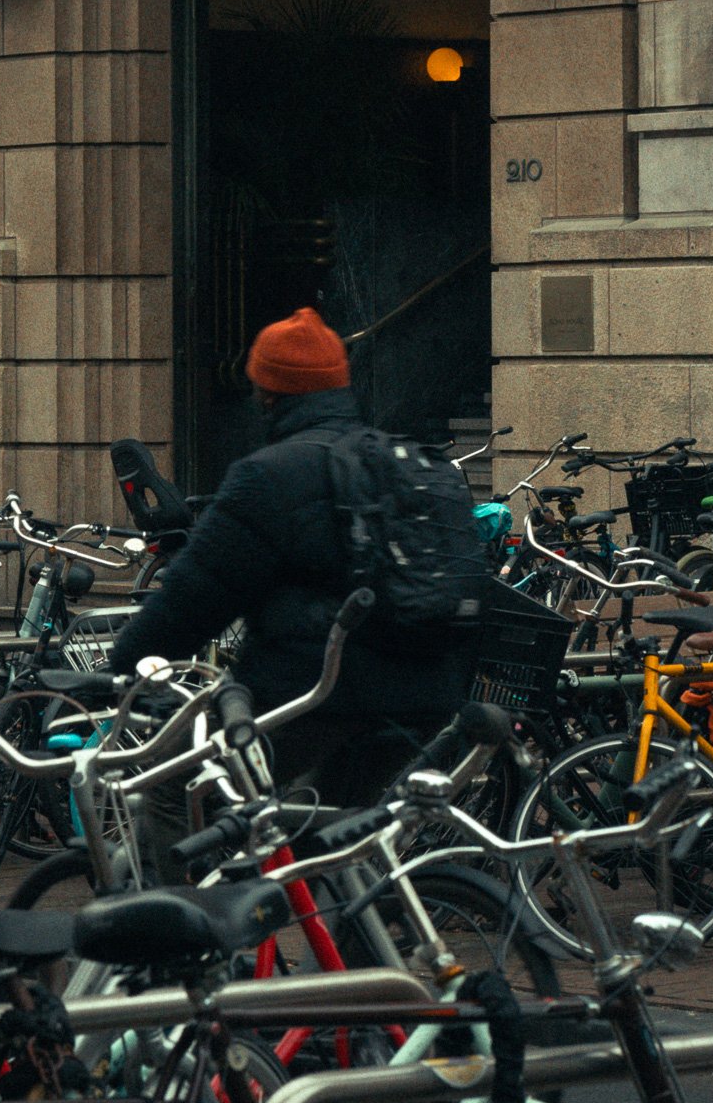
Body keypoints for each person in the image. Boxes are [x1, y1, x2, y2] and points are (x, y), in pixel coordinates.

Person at [109, 306, 477, 806]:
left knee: (178, 791)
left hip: (315, 696)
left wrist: (121, 667)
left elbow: (194, 598)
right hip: (426, 694)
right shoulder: (392, 459)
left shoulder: (267, 476)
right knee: (334, 836)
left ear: (267, 392)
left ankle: (177, 889)